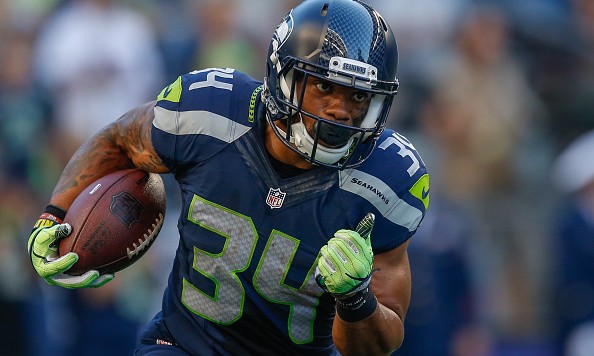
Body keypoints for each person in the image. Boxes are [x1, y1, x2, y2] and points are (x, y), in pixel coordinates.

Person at [27, 0, 429, 354]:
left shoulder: (386, 179)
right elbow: (119, 138)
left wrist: (357, 299)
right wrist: (54, 214)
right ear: (283, 77)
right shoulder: (211, 111)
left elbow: (379, 343)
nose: (342, 111)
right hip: (184, 345)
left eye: (359, 96)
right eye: (325, 85)